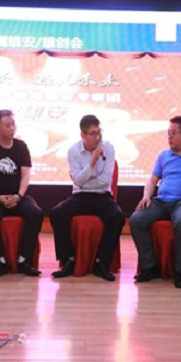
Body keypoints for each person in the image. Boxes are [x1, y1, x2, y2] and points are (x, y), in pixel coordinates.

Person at [130, 116, 181, 288]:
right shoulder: (163, 156)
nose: (169, 137)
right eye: (168, 133)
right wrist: (146, 196)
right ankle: (149, 267)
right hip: (160, 202)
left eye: (173, 133)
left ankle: (179, 270)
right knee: (135, 220)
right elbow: (152, 180)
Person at [50, 115, 125, 281]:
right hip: (80, 196)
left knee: (117, 217)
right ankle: (69, 260)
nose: (98, 138)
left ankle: (101, 262)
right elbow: (77, 181)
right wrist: (92, 163)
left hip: (102, 195)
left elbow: (106, 180)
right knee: (57, 214)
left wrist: (85, 181)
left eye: (99, 132)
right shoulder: (73, 151)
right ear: (83, 135)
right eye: (93, 134)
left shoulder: (108, 147)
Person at [0, 110, 43, 278]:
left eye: (13, 124)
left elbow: (25, 175)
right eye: (7, 125)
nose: (12, 128)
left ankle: (23, 260)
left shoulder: (21, 147)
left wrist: (19, 196)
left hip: (17, 196)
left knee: (36, 213)